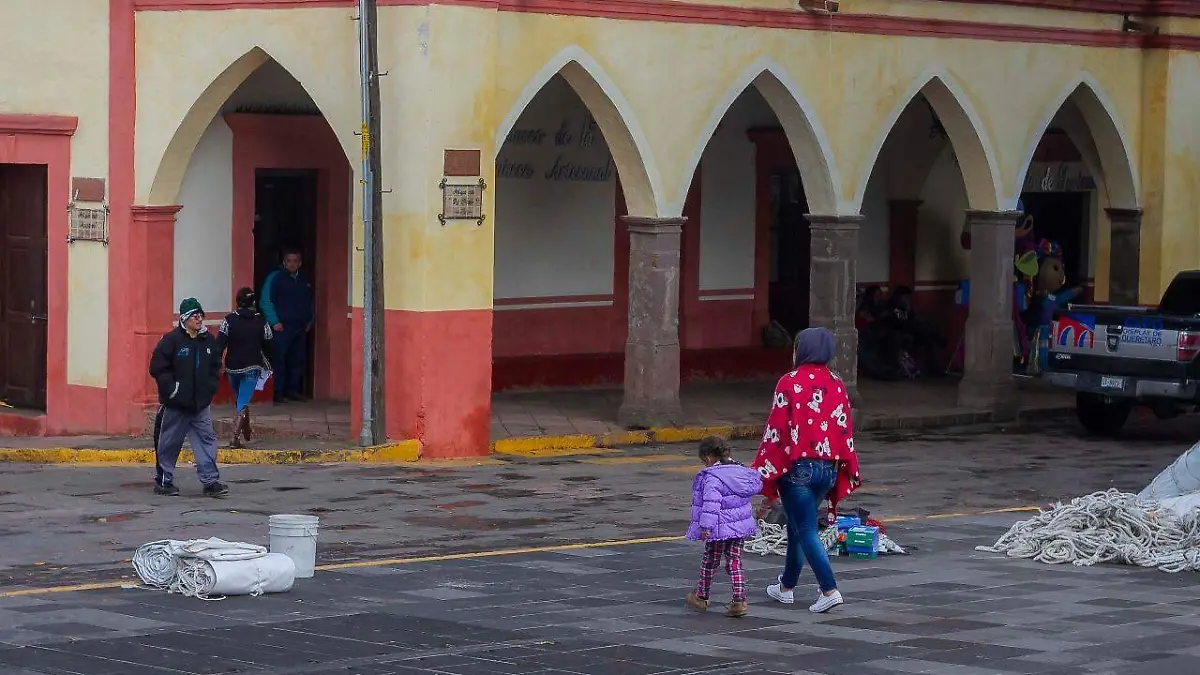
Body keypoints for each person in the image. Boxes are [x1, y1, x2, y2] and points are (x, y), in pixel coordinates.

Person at [752, 327, 861, 613]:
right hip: (827, 469)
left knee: (807, 529)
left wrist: (765, 470)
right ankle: (786, 587)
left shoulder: (788, 382)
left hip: (799, 469)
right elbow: (844, 429)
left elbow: (777, 430)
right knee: (799, 528)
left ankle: (829, 588)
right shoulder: (837, 383)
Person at [148, 298, 230, 498]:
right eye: (195, 315)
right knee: (168, 442)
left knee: (207, 441)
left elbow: (214, 366)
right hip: (176, 405)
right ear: (185, 318)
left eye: (201, 314)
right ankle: (164, 481)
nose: (199, 318)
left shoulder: (208, 341)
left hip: (200, 404)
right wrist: (172, 389)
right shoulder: (171, 340)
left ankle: (210, 481)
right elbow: (158, 367)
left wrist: (210, 388)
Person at [685, 436, 763, 618]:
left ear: (708, 457)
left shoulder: (713, 477)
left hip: (719, 530)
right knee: (735, 562)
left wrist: (706, 527)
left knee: (710, 562)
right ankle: (740, 600)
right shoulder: (740, 471)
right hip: (739, 528)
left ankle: (701, 597)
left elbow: (711, 504)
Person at [217, 287, 275, 448]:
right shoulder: (262, 321)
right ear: (254, 303)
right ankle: (235, 438)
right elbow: (270, 343)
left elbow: (219, 344)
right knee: (242, 401)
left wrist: (217, 363)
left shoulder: (228, 320)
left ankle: (246, 430)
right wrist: (271, 362)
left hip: (232, 367)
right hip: (253, 365)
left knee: (240, 398)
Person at [260, 247, 314, 404]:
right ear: (284, 262)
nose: (292, 264)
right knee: (279, 360)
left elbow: (310, 302)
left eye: (296, 261)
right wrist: (274, 322)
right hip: (281, 327)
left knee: (297, 360)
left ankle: (292, 390)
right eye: (289, 261)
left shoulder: (304, 279)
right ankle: (277, 392)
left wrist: (309, 321)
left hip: (300, 327)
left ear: (300, 263)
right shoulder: (275, 277)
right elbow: (266, 301)